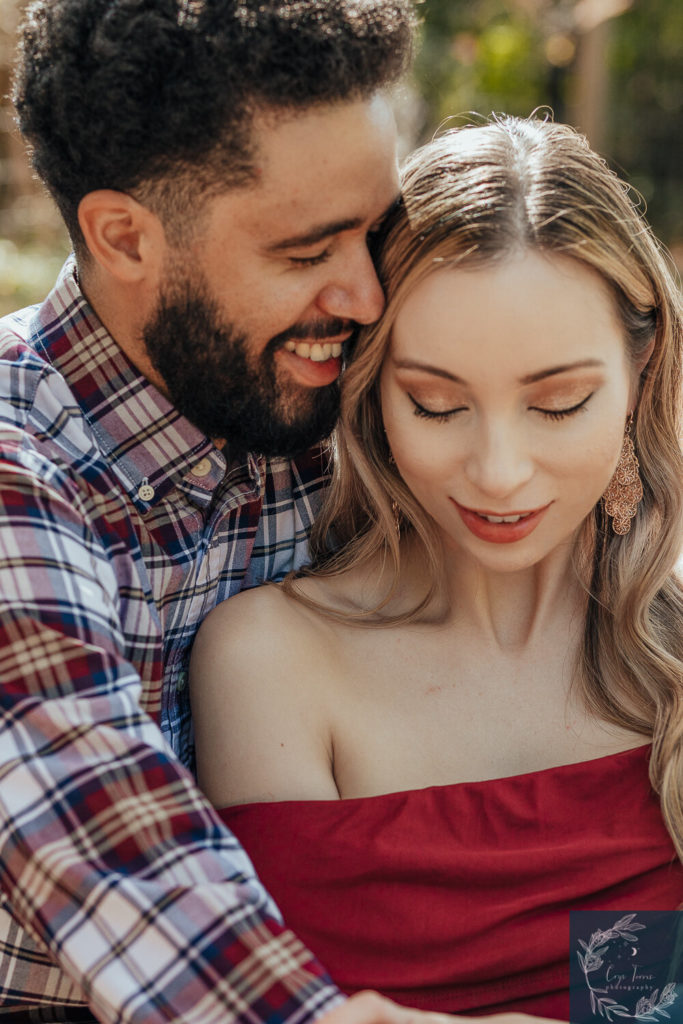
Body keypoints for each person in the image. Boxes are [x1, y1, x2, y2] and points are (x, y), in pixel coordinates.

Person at [0, 2, 462, 1023]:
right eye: (306, 253)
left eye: (373, 233)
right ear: (124, 237)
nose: (365, 298)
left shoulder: (335, 404)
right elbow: (98, 817)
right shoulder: (16, 457)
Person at [191, 115, 683, 1020]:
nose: (498, 473)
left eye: (558, 403)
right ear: (374, 391)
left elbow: (629, 995)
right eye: (436, 403)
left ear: (640, 377)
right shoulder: (270, 659)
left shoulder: (672, 660)